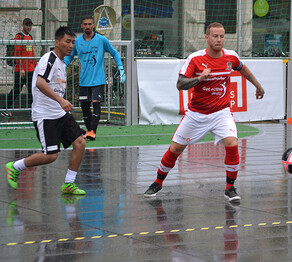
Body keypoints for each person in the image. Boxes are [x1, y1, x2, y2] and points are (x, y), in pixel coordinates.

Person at [144, 22, 265, 201]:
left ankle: (230, 188)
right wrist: (199, 78)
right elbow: (180, 84)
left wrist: (258, 85)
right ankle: (157, 183)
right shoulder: (195, 59)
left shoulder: (231, 57)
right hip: (196, 114)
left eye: (222, 36)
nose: (219, 40)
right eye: (215, 36)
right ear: (207, 38)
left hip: (221, 112)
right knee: (175, 148)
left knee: (232, 143)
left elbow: (243, 69)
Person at [5, 26, 86, 195]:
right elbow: (40, 83)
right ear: (57, 42)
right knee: (50, 155)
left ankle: (69, 184)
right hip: (45, 115)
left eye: (73, 42)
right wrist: (61, 100)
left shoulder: (62, 63)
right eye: (67, 42)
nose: (71, 46)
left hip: (60, 113)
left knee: (80, 143)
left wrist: (62, 102)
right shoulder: (49, 58)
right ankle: (15, 167)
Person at [64, 15, 126, 141]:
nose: (87, 26)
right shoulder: (77, 42)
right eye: (85, 24)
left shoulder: (102, 40)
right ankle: (89, 131)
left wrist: (120, 67)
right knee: (84, 107)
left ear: (93, 25)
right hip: (84, 81)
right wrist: (61, 68)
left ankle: (92, 132)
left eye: (90, 24)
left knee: (96, 103)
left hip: (98, 80)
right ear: (81, 26)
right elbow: (68, 57)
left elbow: (114, 52)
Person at [1, 18, 37, 118]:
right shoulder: (19, 36)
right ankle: (5, 109)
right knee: (16, 90)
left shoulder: (30, 37)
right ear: (23, 25)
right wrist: (21, 68)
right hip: (21, 70)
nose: (28, 27)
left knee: (32, 90)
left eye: (30, 25)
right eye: (27, 25)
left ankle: (33, 112)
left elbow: (32, 53)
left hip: (30, 70)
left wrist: (36, 66)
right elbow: (17, 53)